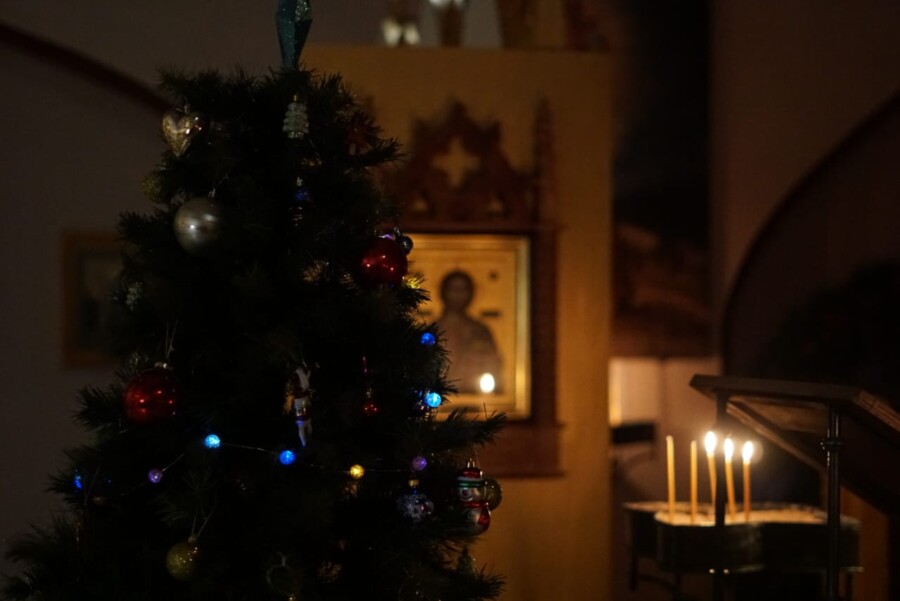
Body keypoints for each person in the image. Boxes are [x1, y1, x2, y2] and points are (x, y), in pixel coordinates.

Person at [433, 270, 503, 394]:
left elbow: (493, 367)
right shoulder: (432, 331)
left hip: (474, 397)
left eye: (463, 289)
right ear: (443, 292)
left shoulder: (481, 332)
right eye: (453, 289)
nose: (458, 294)